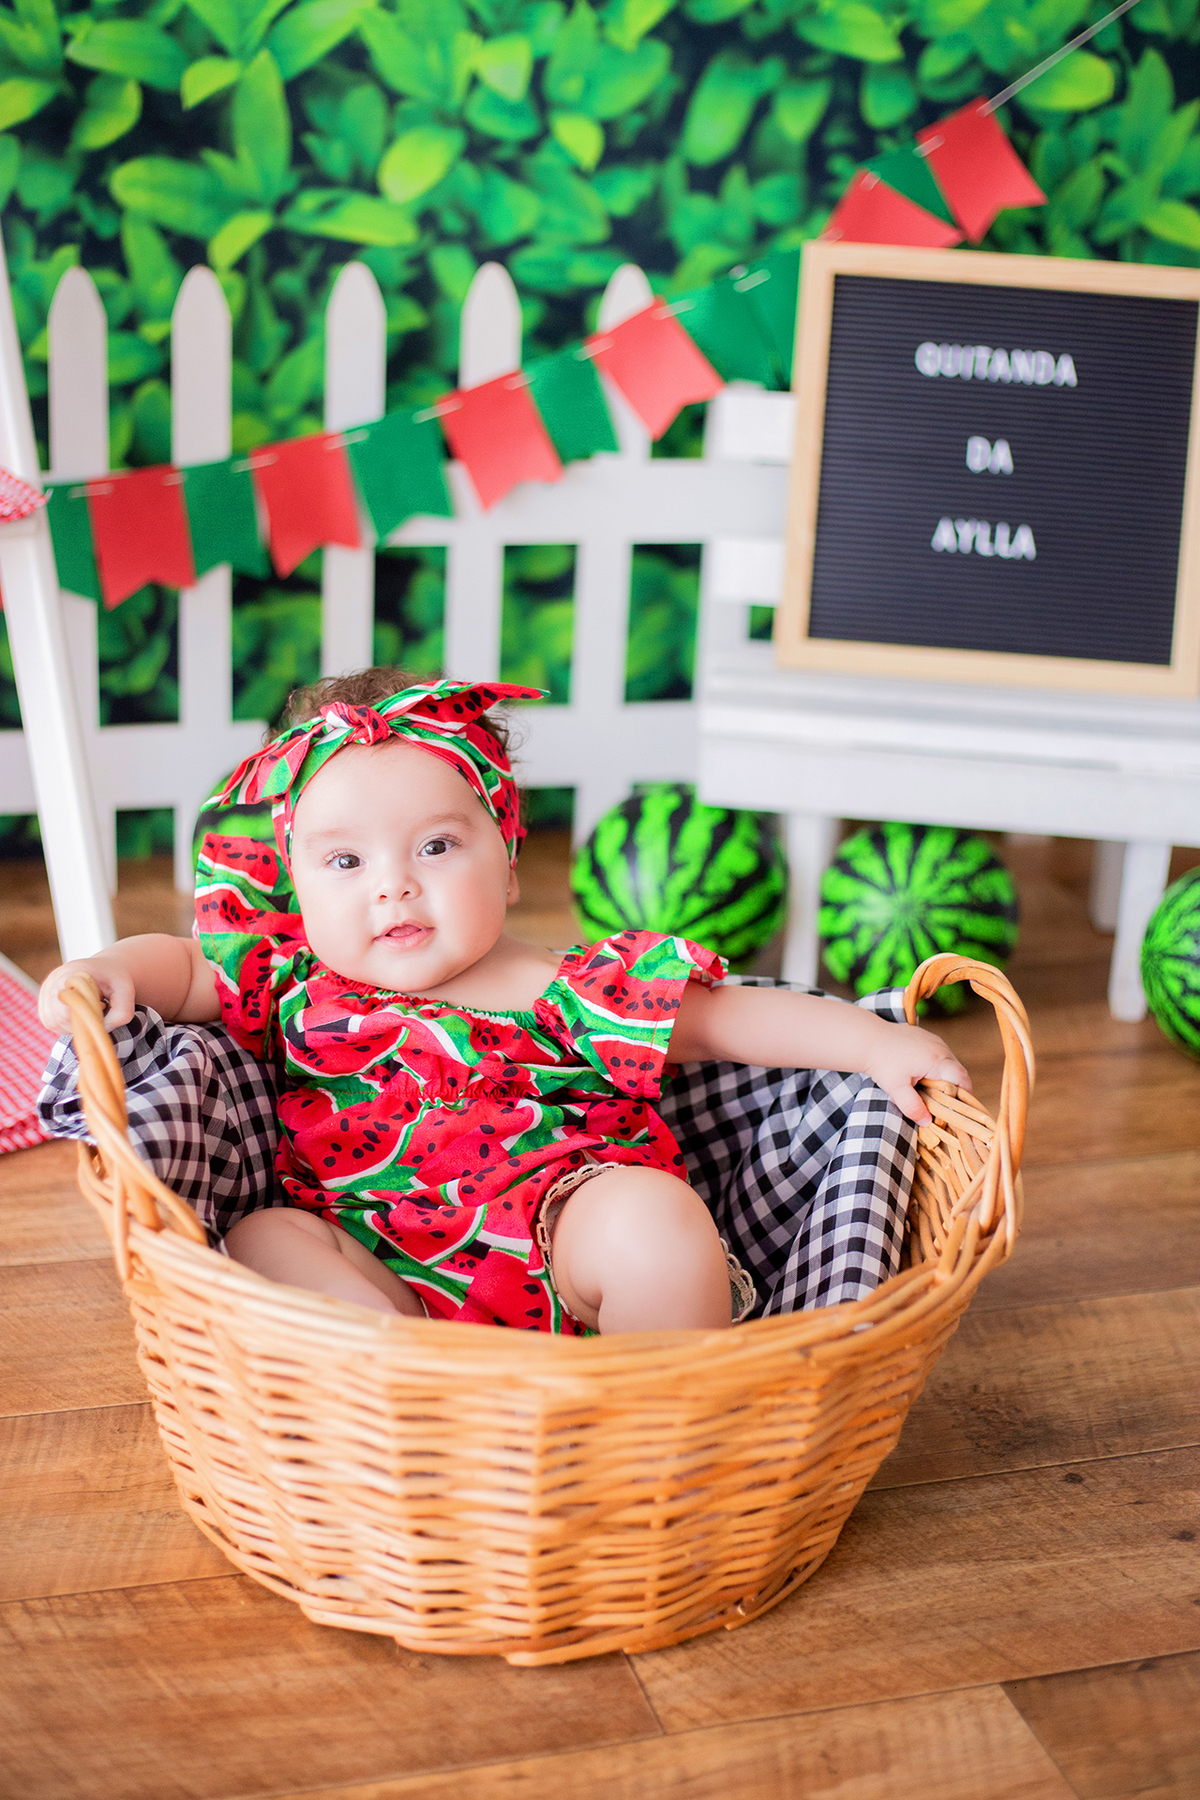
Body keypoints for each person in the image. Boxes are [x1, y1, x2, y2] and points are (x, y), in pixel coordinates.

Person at [39, 669, 970, 1336]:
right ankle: (389, 1380)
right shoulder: (288, 975)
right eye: (346, 860)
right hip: (381, 1275)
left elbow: (731, 1018)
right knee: (261, 1236)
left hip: (562, 1245)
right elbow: (182, 967)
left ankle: (656, 1421)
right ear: (297, 883)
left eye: (436, 847)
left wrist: (874, 1044)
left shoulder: (573, 986)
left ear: (510, 863)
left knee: (654, 1221)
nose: (393, 886)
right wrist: (110, 970)